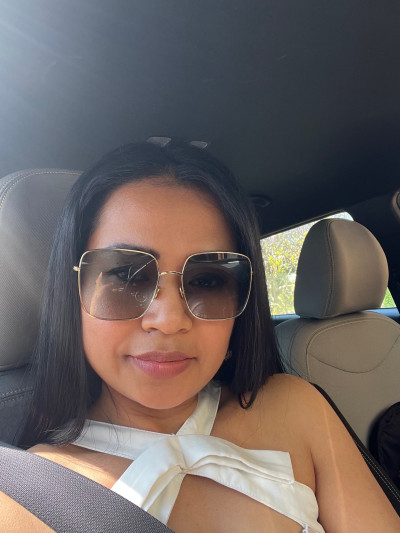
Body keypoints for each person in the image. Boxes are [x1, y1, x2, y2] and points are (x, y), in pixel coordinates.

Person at [1, 139, 399, 532]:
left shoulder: (298, 408)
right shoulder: (26, 499)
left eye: (207, 281)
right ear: (73, 291)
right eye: (126, 275)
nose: (169, 320)